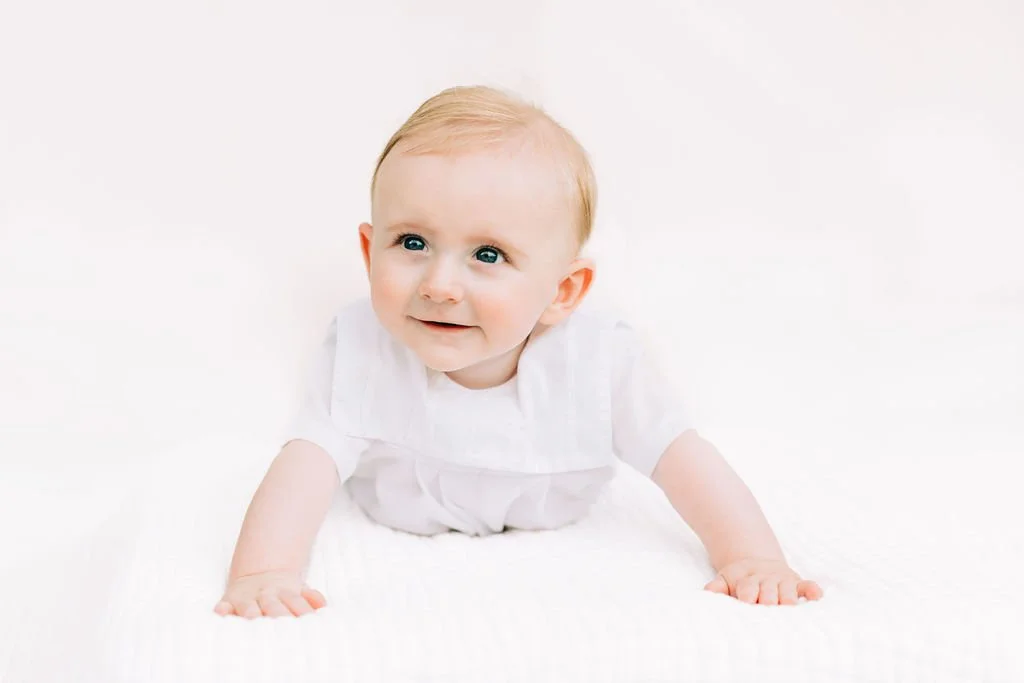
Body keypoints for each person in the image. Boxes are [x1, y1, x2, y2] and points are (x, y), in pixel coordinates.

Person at [214, 85, 824, 619]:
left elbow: (683, 458)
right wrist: (263, 572)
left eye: (488, 255)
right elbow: (306, 464)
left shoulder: (596, 359)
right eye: (413, 241)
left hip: (555, 514)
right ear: (370, 250)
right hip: (399, 511)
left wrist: (751, 558)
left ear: (562, 292)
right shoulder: (363, 347)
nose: (439, 284)